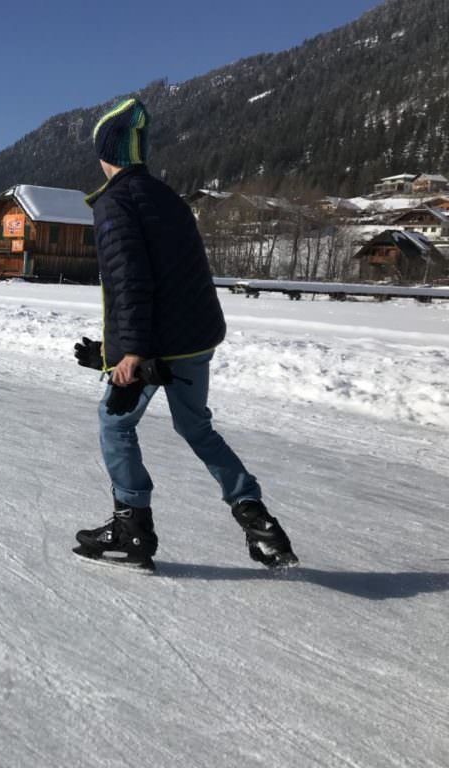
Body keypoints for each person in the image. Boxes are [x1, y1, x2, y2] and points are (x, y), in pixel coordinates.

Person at [72, 97, 296, 571]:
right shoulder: (166, 197)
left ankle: (132, 527)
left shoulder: (115, 202)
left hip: (158, 346)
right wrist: (110, 351)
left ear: (105, 153)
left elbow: (130, 279)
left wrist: (130, 351)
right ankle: (258, 521)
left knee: (115, 424)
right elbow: (172, 279)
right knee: (196, 427)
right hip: (195, 338)